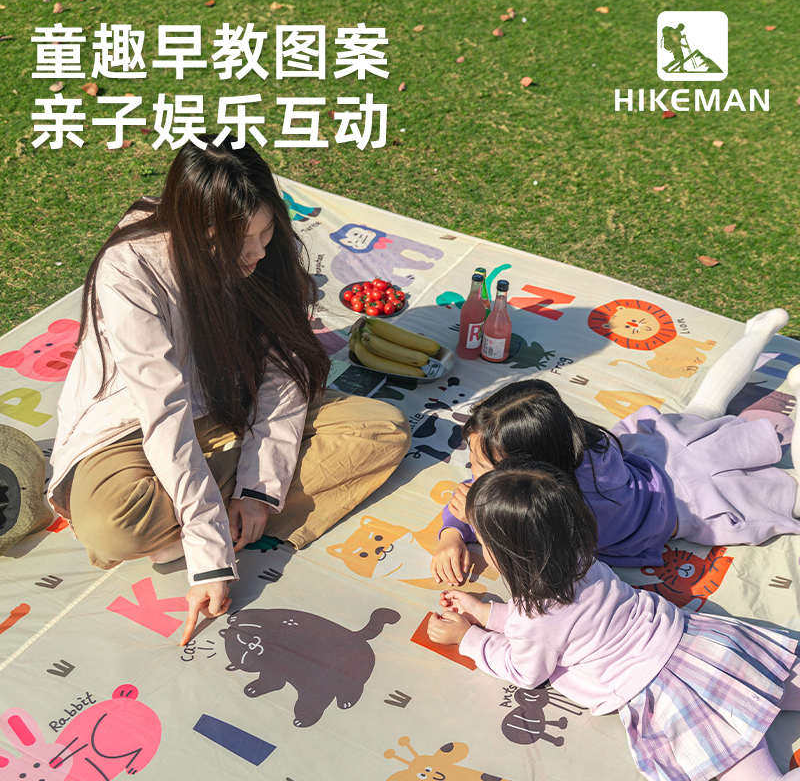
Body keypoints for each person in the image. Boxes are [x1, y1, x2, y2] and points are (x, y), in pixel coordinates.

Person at [46, 134, 411, 644]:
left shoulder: (263, 254)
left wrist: (257, 492)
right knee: (115, 525)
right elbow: (164, 412)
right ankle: (210, 522)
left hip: (230, 408)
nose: (259, 251)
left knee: (381, 430)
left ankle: (216, 516)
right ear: (197, 230)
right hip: (137, 424)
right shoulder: (130, 271)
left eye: (266, 230)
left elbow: (281, 373)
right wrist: (211, 556)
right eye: (243, 239)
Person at [428, 459, 800, 781]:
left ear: (508, 555)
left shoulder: (534, 617)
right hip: (704, 648)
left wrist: (470, 638)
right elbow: (561, 625)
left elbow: (525, 668)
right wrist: (486, 613)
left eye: (484, 542)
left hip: (672, 694)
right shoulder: (582, 562)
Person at [431, 309, 800, 585]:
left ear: (530, 466)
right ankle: (757, 332)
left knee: (790, 498)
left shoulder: (563, 510)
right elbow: (473, 496)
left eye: (481, 465)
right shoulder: (578, 445)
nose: (472, 472)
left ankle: (763, 340)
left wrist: (475, 522)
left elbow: (528, 570)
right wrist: (451, 535)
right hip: (664, 450)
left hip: (693, 505)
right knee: (704, 408)